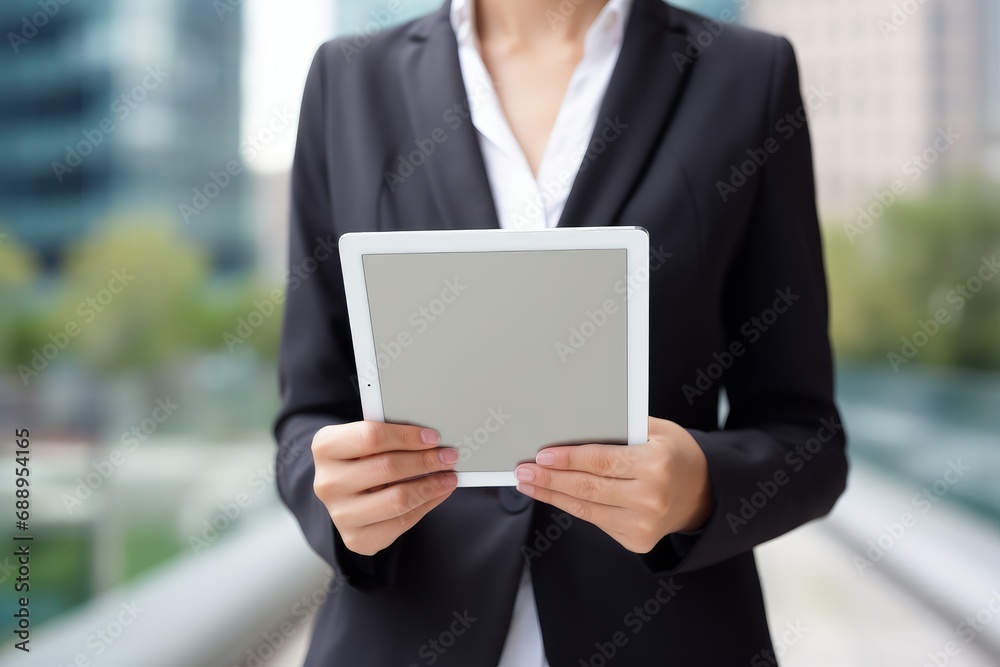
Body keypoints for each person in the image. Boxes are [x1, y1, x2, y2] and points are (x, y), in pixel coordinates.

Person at [273, 0, 848, 664]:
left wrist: (702, 487)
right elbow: (304, 416)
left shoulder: (746, 75)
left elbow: (809, 437)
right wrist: (339, 507)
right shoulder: (348, 82)